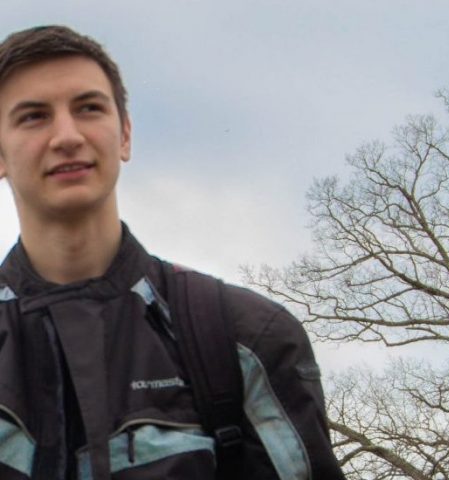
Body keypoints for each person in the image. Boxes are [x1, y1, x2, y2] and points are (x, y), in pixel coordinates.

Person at [0, 25, 344, 480]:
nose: (67, 135)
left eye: (88, 108)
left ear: (124, 135)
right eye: (34, 116)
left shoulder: (245, 340)